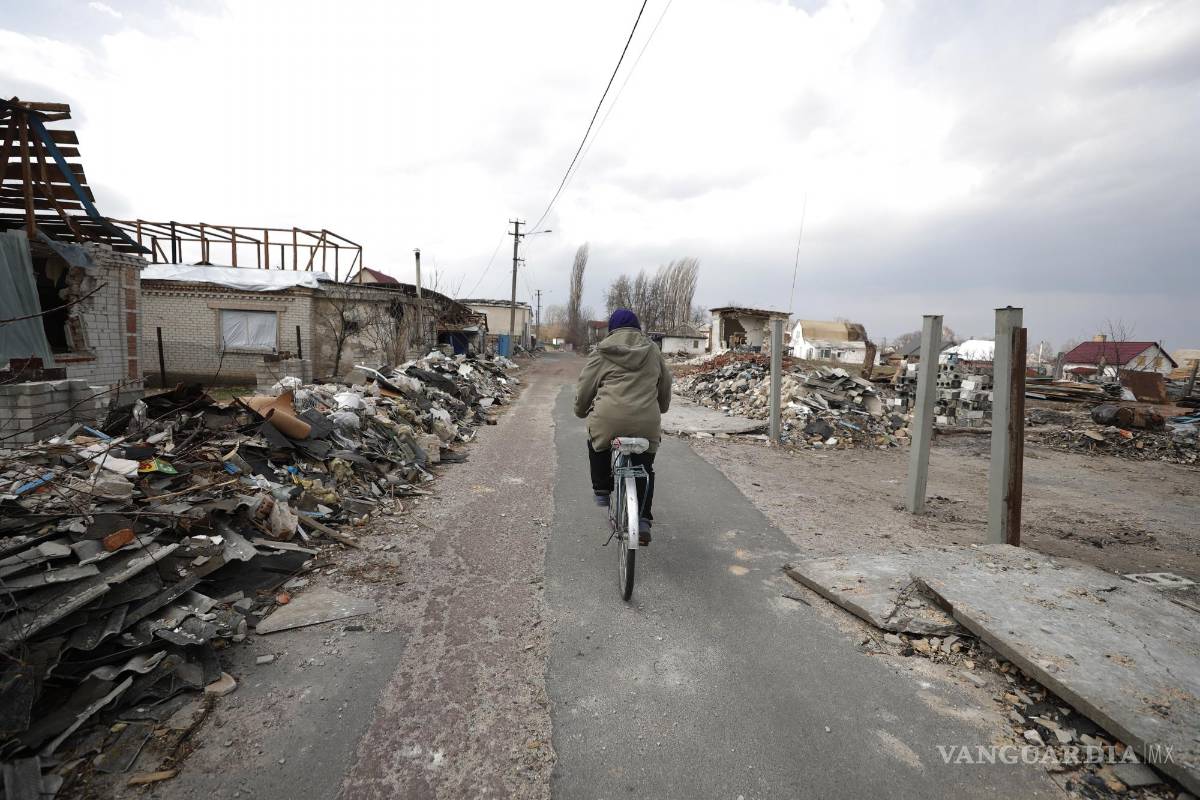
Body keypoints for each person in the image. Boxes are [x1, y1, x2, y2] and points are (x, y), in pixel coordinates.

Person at [573, 309, 672, 545]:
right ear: (638, 328)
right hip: (646, 422)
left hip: (608, 420)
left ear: (612, 330)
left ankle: (601, 490)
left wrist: (580, 410)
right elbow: (665, 385)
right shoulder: (653, 351)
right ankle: (643, 520)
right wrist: (662, 406)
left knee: (597, 441)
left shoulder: (602, 352)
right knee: (644, 466)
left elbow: (585, 388)